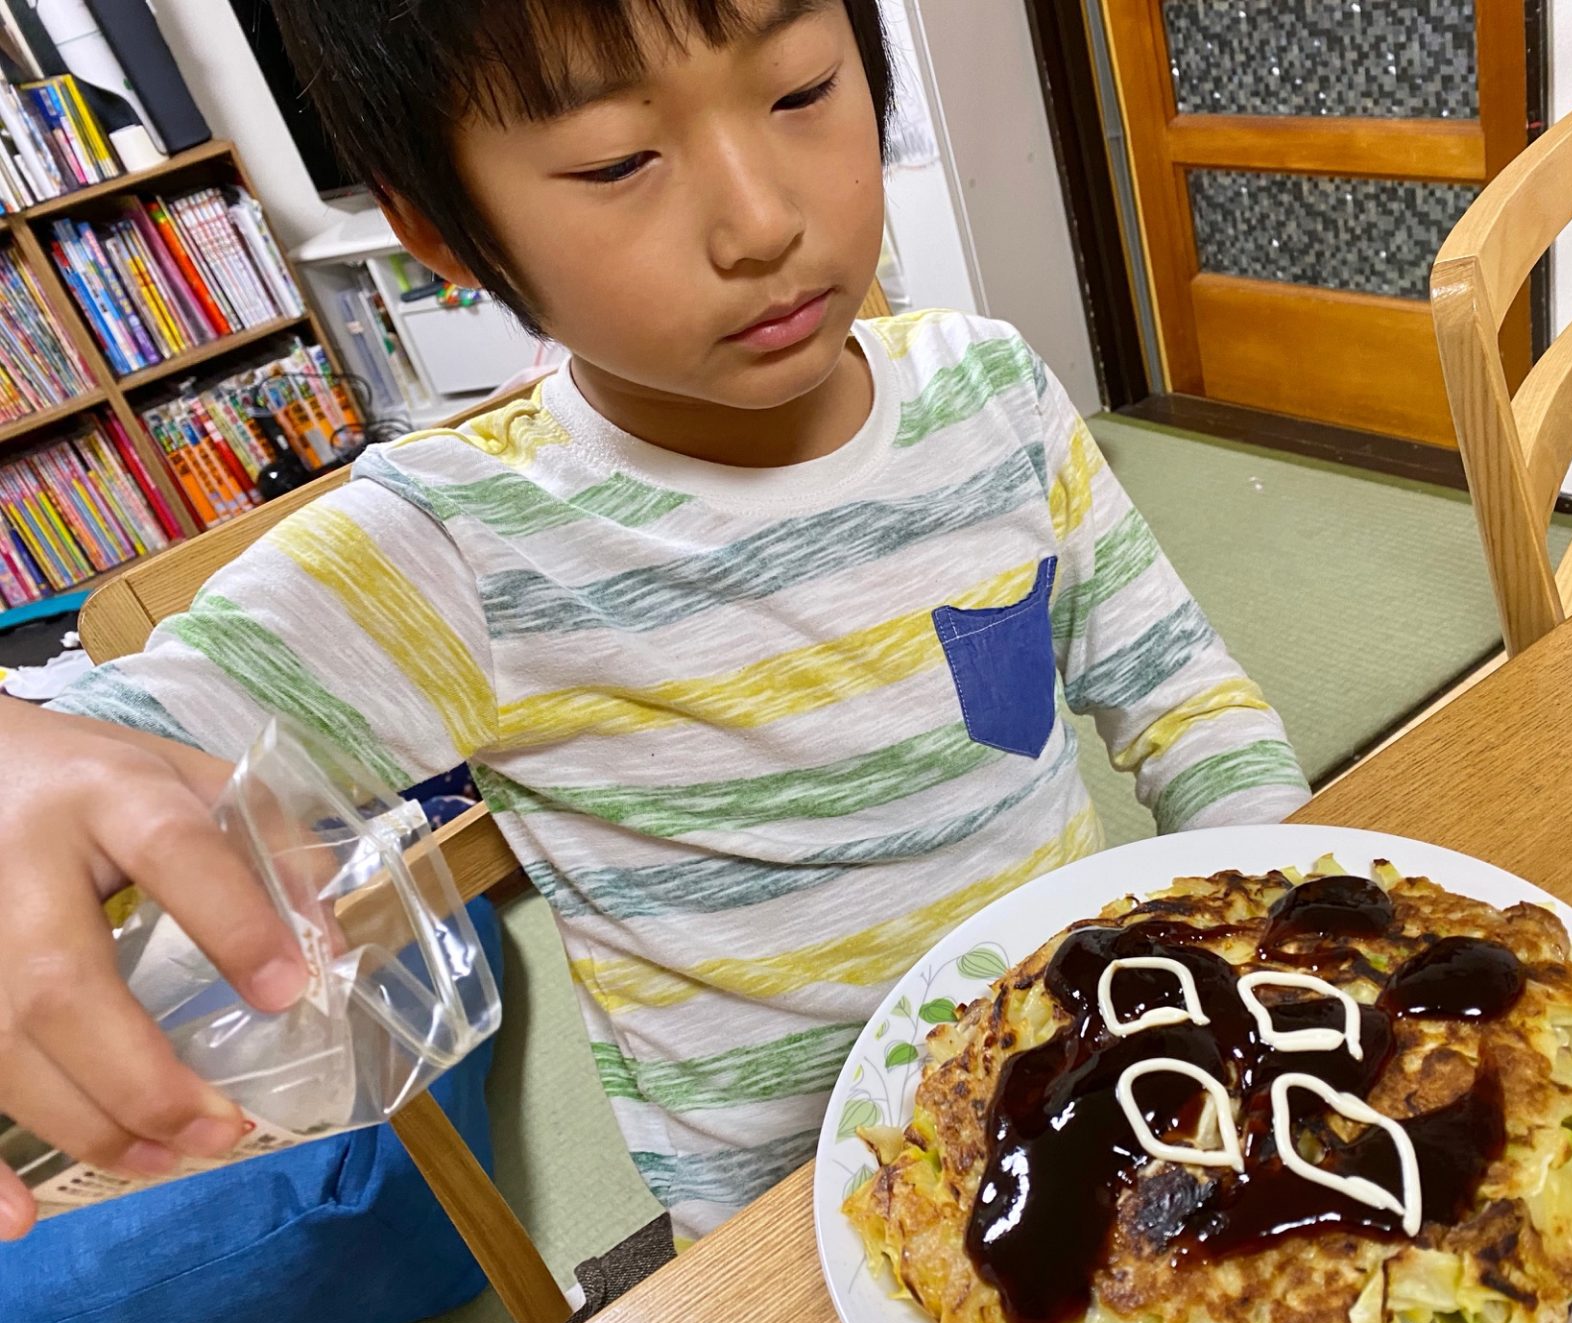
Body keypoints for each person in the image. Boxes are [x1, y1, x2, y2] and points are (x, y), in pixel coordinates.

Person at [0, 0, 1310, 1243]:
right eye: (618, 159)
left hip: (1105, 1092)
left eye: (802, 88)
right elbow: (127, 749)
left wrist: (1296, 939)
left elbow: (1182, 697)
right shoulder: (462, 545)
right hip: (792, 1226)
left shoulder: (992, 388)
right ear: (445, 233)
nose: (761, 220)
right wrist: (32, 765)